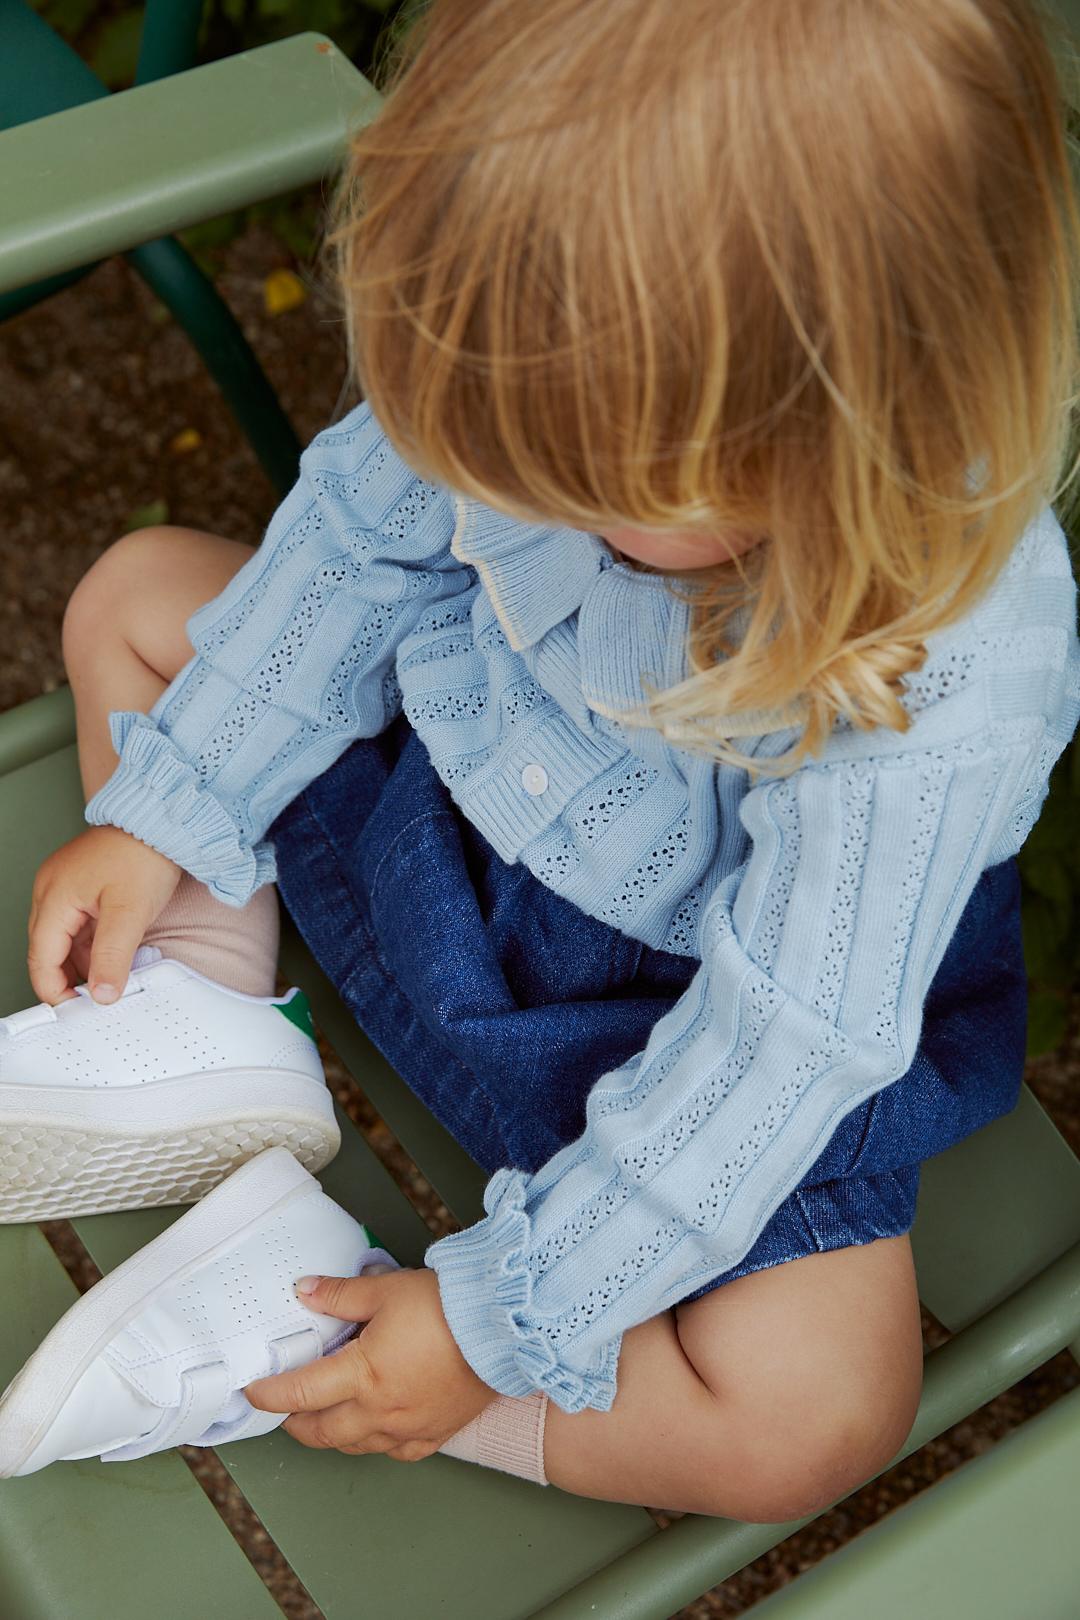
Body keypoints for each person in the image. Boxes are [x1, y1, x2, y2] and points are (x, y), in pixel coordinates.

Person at [13, 0, 1080, 1518]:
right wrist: (173, 808)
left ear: (838, 431)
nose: (487, 472)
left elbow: (787, 1042)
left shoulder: (945, 654)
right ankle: (199, 1020)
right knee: (140, 599)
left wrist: (494, 1329)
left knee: (812, 1416)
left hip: (688, 1014)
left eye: (560, 473)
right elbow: (359, 547)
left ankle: (303, 1311)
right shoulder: (550, 324)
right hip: (451, 809)